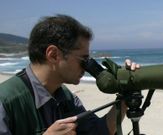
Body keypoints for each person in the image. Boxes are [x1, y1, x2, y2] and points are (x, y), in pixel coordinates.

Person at [0, 14, 139, 135]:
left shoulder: (65, 96)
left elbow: (98, 131)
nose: (86, 67)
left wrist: (124, 97)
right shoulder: (5, 101)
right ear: (53, 55)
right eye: (83, 60)